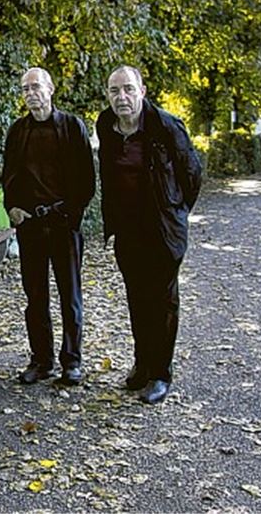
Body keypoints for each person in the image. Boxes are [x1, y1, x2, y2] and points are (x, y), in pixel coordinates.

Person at [96, 65, 203, 404]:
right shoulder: (106, 125)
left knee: (162, 302)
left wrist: (176, 212)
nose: (121, 97)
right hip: (128, 230)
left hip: (162, 230)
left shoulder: (165, 126)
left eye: (128, 89)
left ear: (142, 90)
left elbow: (192, 173)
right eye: (115, 91)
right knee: (137, 299)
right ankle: (142, 365)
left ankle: (160, 373)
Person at [2, 68, 95, 386]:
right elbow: (9, 178)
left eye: (36, 87)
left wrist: (70, 217)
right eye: (25, 88)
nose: (31, 93)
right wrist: (11, 208)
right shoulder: (17, 131)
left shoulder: (71, 126)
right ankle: (42, 360)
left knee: (70, 296)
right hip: (30, 227)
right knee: (35, 297)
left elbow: (86, 182)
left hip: (64, 225)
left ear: (51, 88)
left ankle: (72, 361)